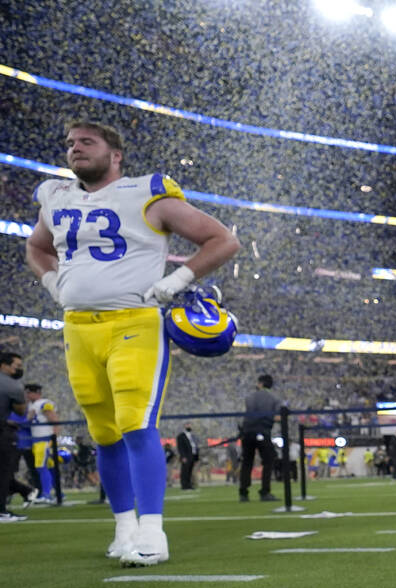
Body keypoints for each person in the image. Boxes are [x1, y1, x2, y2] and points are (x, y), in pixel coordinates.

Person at [26, 120, 240, 564]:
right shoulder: (55, 196)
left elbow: (222, 239)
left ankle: (152, 533)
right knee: (103, 434)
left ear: (116, 154)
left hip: (135, 324)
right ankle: (124, 529)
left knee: (136, 425)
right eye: (69, 144)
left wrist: (177, 279)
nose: (75, 150)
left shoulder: (147, 192)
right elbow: (38, 248)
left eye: (87, 142)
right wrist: (53, 286)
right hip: (78, 328)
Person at [239, 374, 281, 502]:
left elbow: (244, 415)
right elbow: (278, 417)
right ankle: (265, 492)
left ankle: (243, 493)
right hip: (263, 432)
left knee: (247, 463)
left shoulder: (249, 397)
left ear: (260, 383)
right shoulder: (275, 398)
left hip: (247, 432)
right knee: (268, 461)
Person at [0, 352, 31, 522]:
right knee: (4, 473)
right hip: (2, 433)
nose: (19, 369)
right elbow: (21, 410)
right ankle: (1, 511)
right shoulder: (13, 385)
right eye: (16, 366)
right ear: (4, 365)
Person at [176, 423, 199, 490]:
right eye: (187, 425)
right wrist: (183, 456)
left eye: (190, 425)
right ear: (184, 426)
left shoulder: (192, 435)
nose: (189, 426)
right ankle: (184, 485)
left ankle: (189, 485)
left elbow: (195, 446)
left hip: (193, 455)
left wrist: (196, 458)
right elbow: (180, 447)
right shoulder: (181, 436)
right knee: (185, 471)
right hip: (186, 456)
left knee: (190, 471)